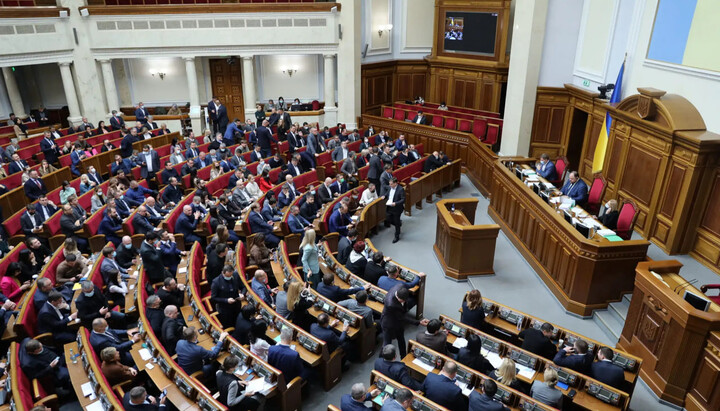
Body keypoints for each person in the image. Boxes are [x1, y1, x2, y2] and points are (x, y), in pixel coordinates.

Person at [381, 286, 428, 358]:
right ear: (397, 296)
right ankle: (382, 359)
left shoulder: (400, 287)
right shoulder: (392, 304)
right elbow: (402, 317)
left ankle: (403, 357)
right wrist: (418, 322)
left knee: (401, 340)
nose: (403, 302)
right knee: (386, 344)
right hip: (389, 323)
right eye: (401, 300)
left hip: (398, 323)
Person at [383, 178, 405, 243]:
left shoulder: (400, 189)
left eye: (391, 184)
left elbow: (403, 199)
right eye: (389, 184)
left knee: (396, 221)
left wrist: (396, 203)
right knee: (388, 219)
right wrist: (384, 196)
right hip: (389, 207)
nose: (390, 185)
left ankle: (397, 236)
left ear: (395, 183)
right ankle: (398, 224)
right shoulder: (390, 188)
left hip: (397, 208)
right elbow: (387, 194)